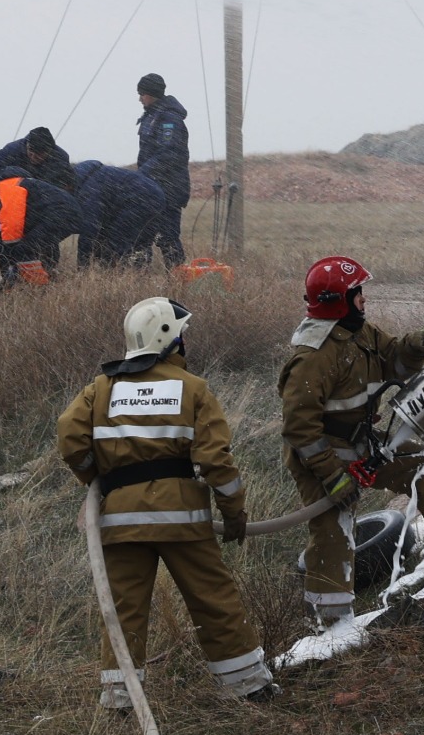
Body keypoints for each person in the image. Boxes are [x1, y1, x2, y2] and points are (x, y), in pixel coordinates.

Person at [56, 297, 276, 709]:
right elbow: (215, 462)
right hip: (184, 523)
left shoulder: (102, 388)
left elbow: (70, 438)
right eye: (182, 335)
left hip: (121, 523)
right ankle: (249, 686)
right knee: (213, 598)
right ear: (168, 338)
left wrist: (103, 480)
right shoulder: (192, 389)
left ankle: (121, 697)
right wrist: (234, 514)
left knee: (123, 608)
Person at [277, 255, 424, 631]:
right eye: (357, 293)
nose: (364, 299)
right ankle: (332, 625)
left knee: (419, 461)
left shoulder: (358, 333)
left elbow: (392, 358)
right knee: (333, 527)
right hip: (320, 457)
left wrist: (415, 345)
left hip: (360, 444)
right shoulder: (313, 358)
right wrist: (333, 477)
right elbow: (299, 430)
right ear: (339, 302)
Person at [71, 158, 173, 266]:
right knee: (139, 242)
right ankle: (138, 274)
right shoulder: (93, 176)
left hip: (142, 199)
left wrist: (82, 263)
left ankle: (117, 273)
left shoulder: (89, 189)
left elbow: (90, 228)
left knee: (117, 240)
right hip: (154, 195)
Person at [0, 165, 82, 284]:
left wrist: (12, 260)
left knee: (24, 249)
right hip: (65, 212)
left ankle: (37, 285)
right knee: (8, 240)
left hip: (61, 214)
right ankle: (45, 274)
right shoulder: (22, 183)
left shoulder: (6, 186)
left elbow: (12, 225)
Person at [134, 74, 190, 264]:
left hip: (169, 190)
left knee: (167, 238)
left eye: (142, 94)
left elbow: (169, 153)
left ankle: (178, 278)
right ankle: (138, 278)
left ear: (151, 94)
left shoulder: (169, 120)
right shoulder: (151, 116)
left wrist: (142, 174)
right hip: (151, 187)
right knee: (141, 235)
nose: (140, 98)